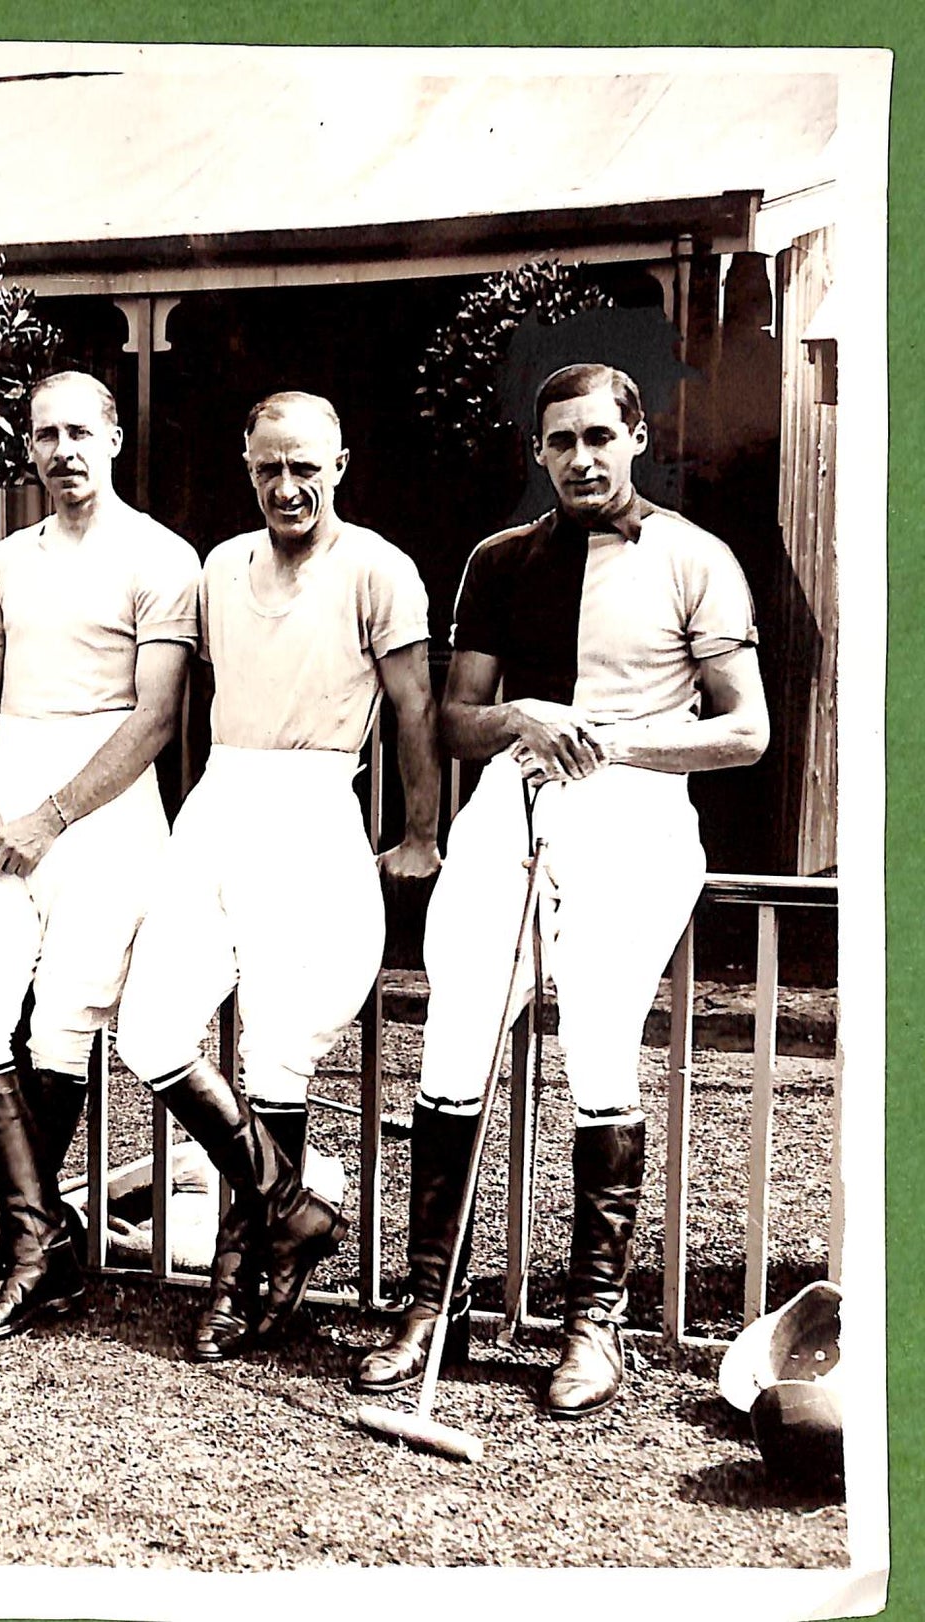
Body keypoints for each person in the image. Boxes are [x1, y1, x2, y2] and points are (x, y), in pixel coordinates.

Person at [352, 363, 767, 1417]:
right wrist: (524, 719)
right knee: (454, 1037)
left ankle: (592, 1323)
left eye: (598, 437)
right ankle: (428, 1307)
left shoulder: (694, 557)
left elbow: (744, 730)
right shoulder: (500, 559)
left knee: (597, 1047)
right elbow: (456, 720)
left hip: (635, 812)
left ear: (636, 436)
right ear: (536, 451)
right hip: (513, 800)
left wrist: (614, 741)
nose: (579, 459)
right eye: (559, 442)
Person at [114, 390, 441, 1359]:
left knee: (276, 1055)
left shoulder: (378, 567)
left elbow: (414, 709)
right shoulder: (220, 566)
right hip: (220, 800)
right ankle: (291, 1207)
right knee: (149, 1029)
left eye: (304, 466)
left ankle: (238, 1282)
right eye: (268, 467)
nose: (286, 485)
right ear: (246, 465)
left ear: (339, 464)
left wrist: (419, 832)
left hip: (313, 800)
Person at [0, 371, 199, 1343]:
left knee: (62, 1026)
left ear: (114, 438)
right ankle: (36, 1240)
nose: (62, 451)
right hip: (8, 793)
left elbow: (154, 716)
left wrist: (52, 816)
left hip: (104, 809)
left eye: (79, 431)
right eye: (45, 435)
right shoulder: (9, 558)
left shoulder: (161, 557)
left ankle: (14, 1250)